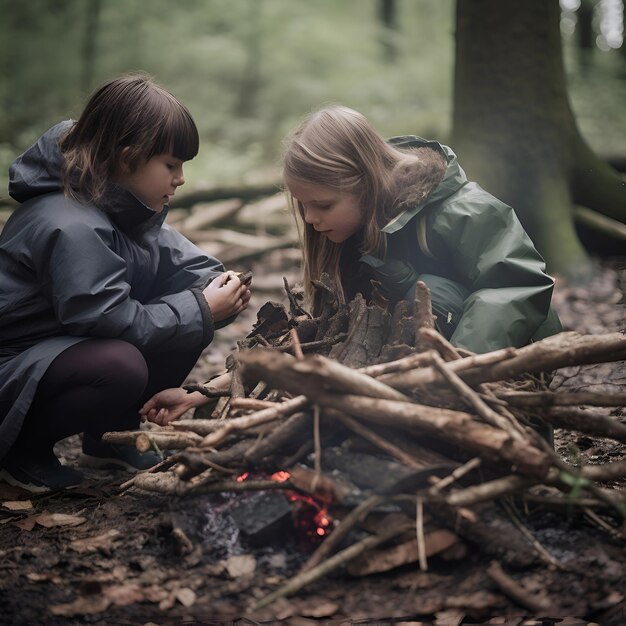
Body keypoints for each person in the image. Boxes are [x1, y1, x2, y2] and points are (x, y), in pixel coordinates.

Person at [0, 74, 251, 493]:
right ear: (127, 158)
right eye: (171, 165)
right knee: (122, 364)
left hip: (60, 349)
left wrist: (216, 286)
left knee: (189, 310)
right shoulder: (70, 223)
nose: (181, 178)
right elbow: (105, 319)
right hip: (13, 365)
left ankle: (107, 438)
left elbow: (187, 265)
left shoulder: (124, 208)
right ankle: (21, 452)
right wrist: (202, 307)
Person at [281, 104, 562, 354]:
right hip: (419, 360)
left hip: (507, 352)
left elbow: (516, 285)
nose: (308, 218)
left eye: (322, 204)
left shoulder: (463, 210)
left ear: (365, 184)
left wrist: (463, 363)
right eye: (303, 205)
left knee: (432, 293)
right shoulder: (349, 229)